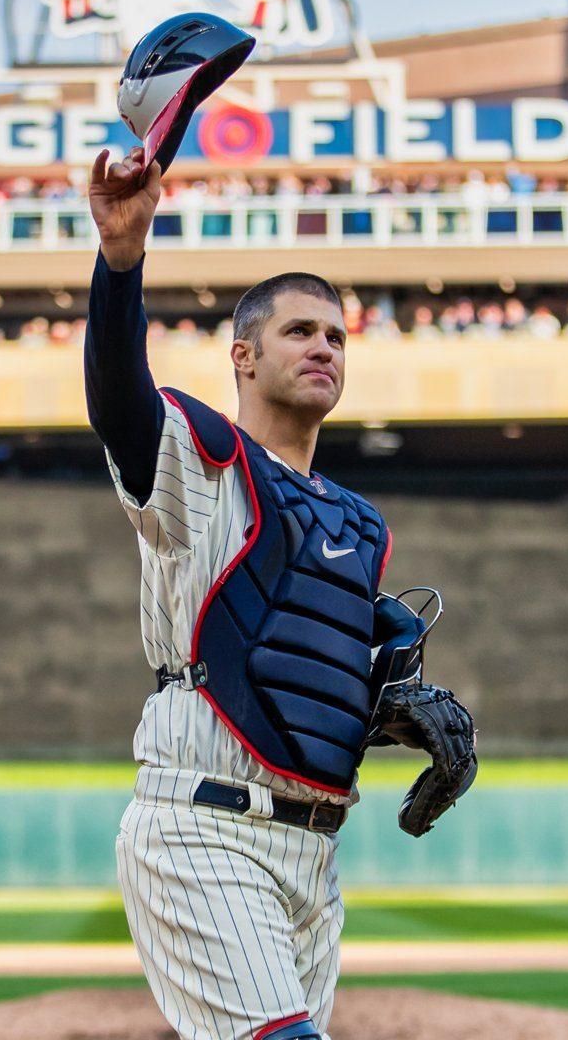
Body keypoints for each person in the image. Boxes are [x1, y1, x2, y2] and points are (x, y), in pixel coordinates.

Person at [84, 146, 474, 1040]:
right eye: (301, 331)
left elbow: (306, 670)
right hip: (202, 828)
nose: (324, 348)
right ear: (243, 356)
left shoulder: (358, 522)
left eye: (336, 336)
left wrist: (401, 715)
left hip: (313, 851)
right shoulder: (201, 460)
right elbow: (117, 398)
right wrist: (119, 261)